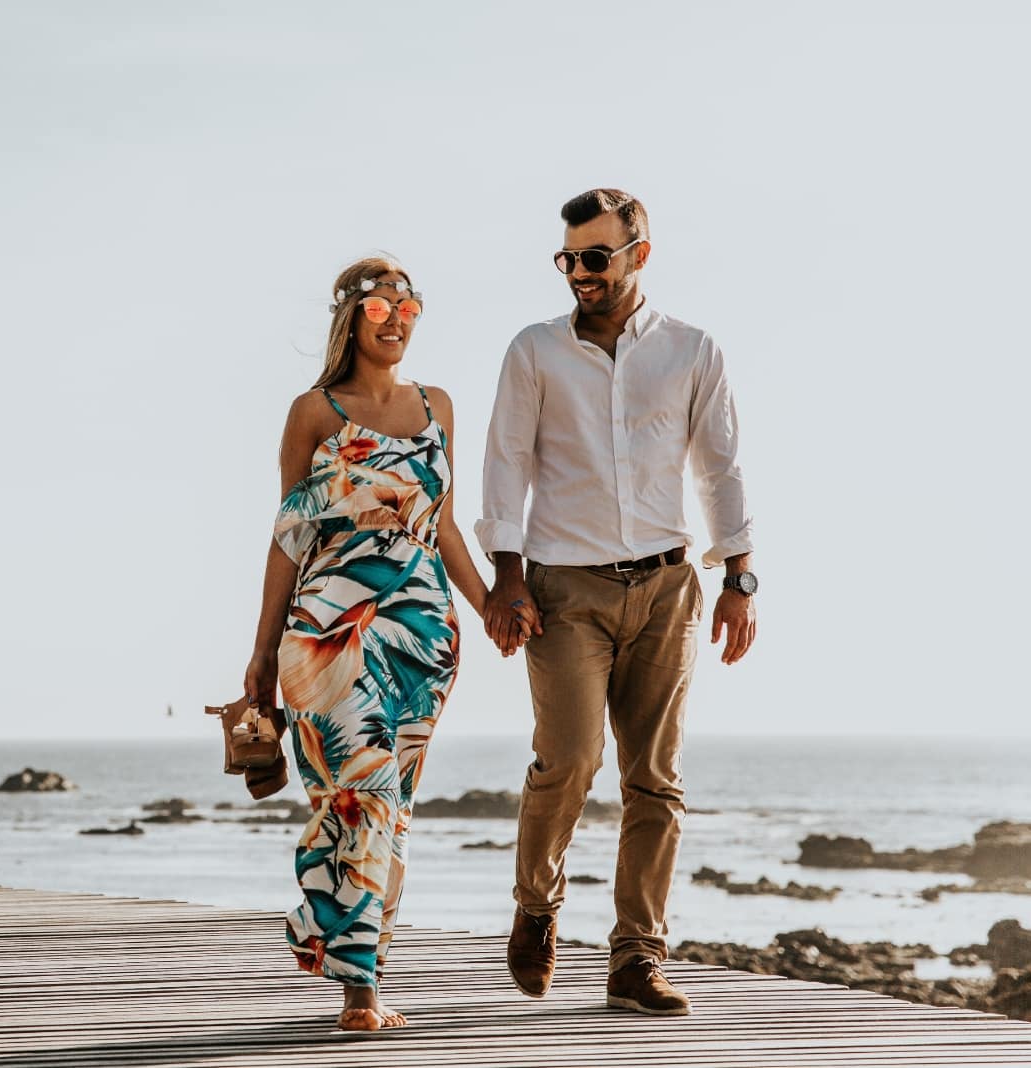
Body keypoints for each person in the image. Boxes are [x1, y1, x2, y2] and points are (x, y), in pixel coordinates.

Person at [477, 189, 757, 1017]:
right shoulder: (534, 350)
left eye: (595, 257)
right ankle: (537, 904)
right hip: (564, 589)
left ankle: (637, 957)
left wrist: (740, 577)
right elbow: (506, 463)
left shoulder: (691, 350)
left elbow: (720, 466)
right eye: (567, 259)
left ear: (639, 254)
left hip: (668, 588)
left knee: (656, 780)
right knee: (568, 760)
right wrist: (506, 577)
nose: (579, 273)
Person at [244, 256, 490, 1032]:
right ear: (350, 318)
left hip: (424, 640)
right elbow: (288, 536)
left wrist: (490, 607)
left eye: (407, 307)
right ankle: (360, 990)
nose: (396, 319)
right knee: (363, 796)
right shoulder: (313, 413)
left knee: (391, 808)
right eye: (381, 307)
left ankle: (344, 945)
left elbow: (443, 525)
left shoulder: (438, 405)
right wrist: (260, 654)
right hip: (328, 636)